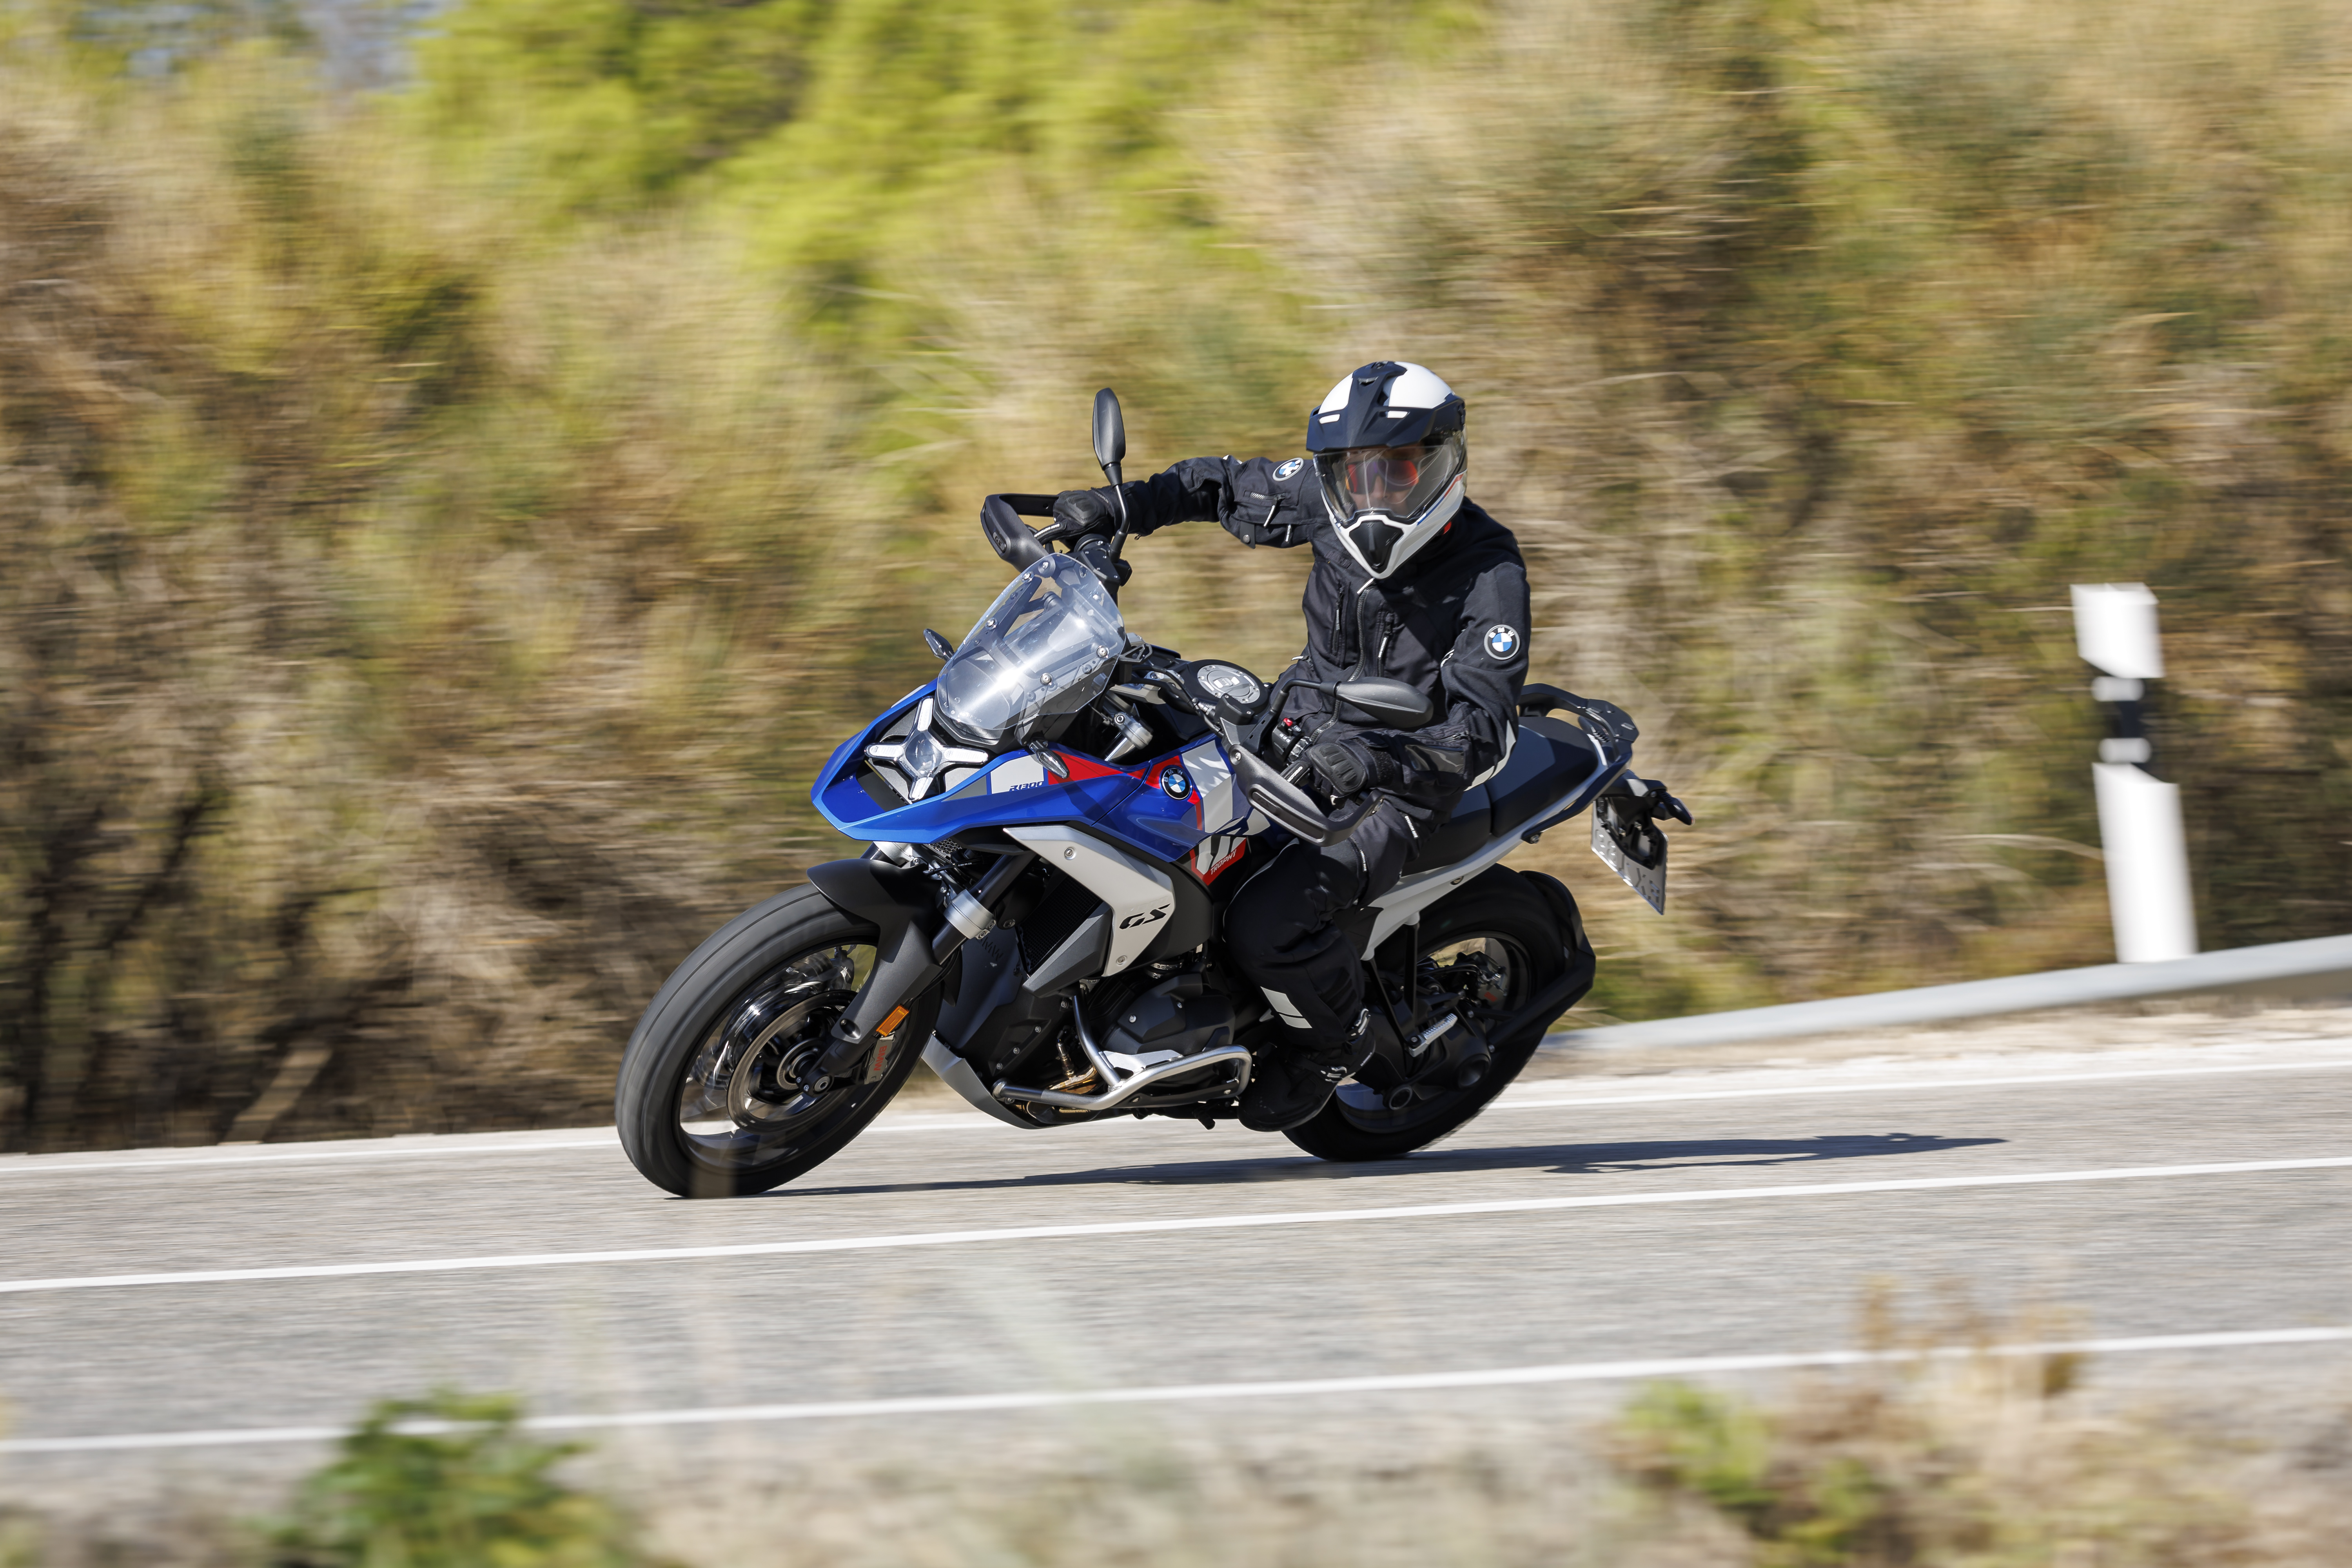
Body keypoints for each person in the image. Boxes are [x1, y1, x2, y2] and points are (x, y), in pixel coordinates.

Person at [1041, 361, 1531, 1132]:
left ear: (1443, 463)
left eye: (1398, 471)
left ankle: (1332, 1047)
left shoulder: (1490, 571)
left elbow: (1483, 730)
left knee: (1266, 921)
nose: (1374, 493)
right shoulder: (1329, 500)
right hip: (1288, 729)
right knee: (1132, 788)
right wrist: (1122, 504)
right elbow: (1217, 485)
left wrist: (1378, 759)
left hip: (1397, 788)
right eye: (1356, 473)